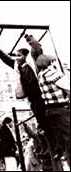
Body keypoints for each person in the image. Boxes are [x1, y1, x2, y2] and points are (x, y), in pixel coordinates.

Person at [26, 34, 70, 170]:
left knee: (62, 140)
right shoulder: (52, 73)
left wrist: (33, 43)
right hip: (60, 109)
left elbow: (36, 57)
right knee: (69, 137)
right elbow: (68, 87)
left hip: (50, 111)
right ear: (51, 63)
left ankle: (60, 154)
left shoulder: (40, 76)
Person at [0, 47, 51, 135]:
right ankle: (44, 129)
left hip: (38, 94)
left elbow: (36, 52)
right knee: (38, 114)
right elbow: (8, 60)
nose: (17, 58)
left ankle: (47, 130)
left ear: (26, 56)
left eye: (19, 56)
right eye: (16, 56)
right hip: (31, 97)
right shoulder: (18, 67)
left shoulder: (31, 64)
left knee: (43, 115)